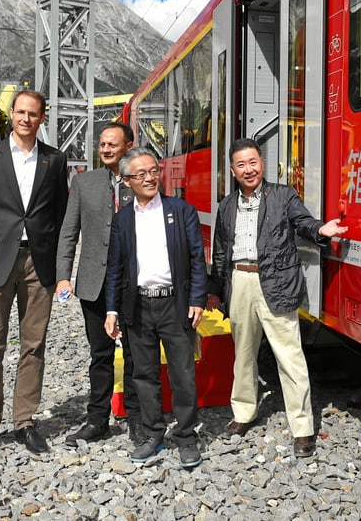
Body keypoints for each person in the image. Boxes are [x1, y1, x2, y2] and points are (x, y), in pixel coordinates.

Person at [211, 137, 348, 458]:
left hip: (276, 281)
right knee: (243, 354)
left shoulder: (283, 195)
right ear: (232, 170)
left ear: (262, 164)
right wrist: (215, 290)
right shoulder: (227, 205)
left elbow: (302, 223)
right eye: (241, 165)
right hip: (240, 280)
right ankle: (244, 411)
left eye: (253, 162)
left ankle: (302, 428)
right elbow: (220, 251)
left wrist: (320, 231)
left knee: (290, 357)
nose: (249, 169)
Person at [0, 90, 69, 457]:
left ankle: (24, 422)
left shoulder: (55, 160)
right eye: (20, 112)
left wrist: (63, 269)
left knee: (33, 346)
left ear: (41, 118)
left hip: (39, 262)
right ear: (11, 115)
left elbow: (63, 217)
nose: (26, 118)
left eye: (33, 113)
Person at [103, 148, 207, 467]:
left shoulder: (181, 210)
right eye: (141, 174)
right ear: (127, 181)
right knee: (144, 374)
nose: (149, 178)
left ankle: (187, 436)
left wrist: (197, 299)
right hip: (139, 305)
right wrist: (112, 310)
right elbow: (115, 268)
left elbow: (196, 260)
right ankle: (153, 434)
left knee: (182, 373)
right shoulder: (122, 219)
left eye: (153, 171)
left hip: (175, 303)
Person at [56, 122, 143, 448]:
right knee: (100, 355)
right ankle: (97, 421)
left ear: (129, 145)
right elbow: (69, 232)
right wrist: (63, 275)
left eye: (112, 144)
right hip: (93, 284)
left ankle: (137, 419)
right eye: (102, 144)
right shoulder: (83, 183)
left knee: (136, 354)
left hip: (134, 284)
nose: (105, 149)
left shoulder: (142, 180)